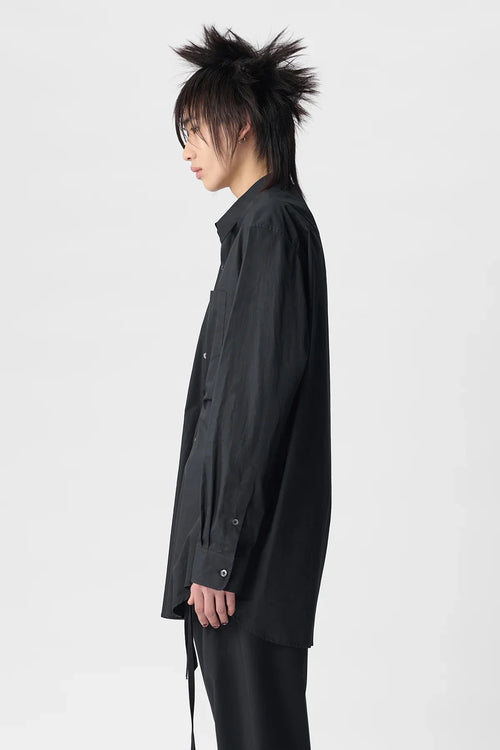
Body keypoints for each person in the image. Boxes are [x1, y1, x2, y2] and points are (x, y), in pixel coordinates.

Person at [160, 24, 332, 750]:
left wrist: (218, 556)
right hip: (242, 563)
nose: (187, 150)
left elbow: (252, 407)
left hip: (244, 571)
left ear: (241, 124)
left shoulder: (270, 229)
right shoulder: (261, 228)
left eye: (195, 130)